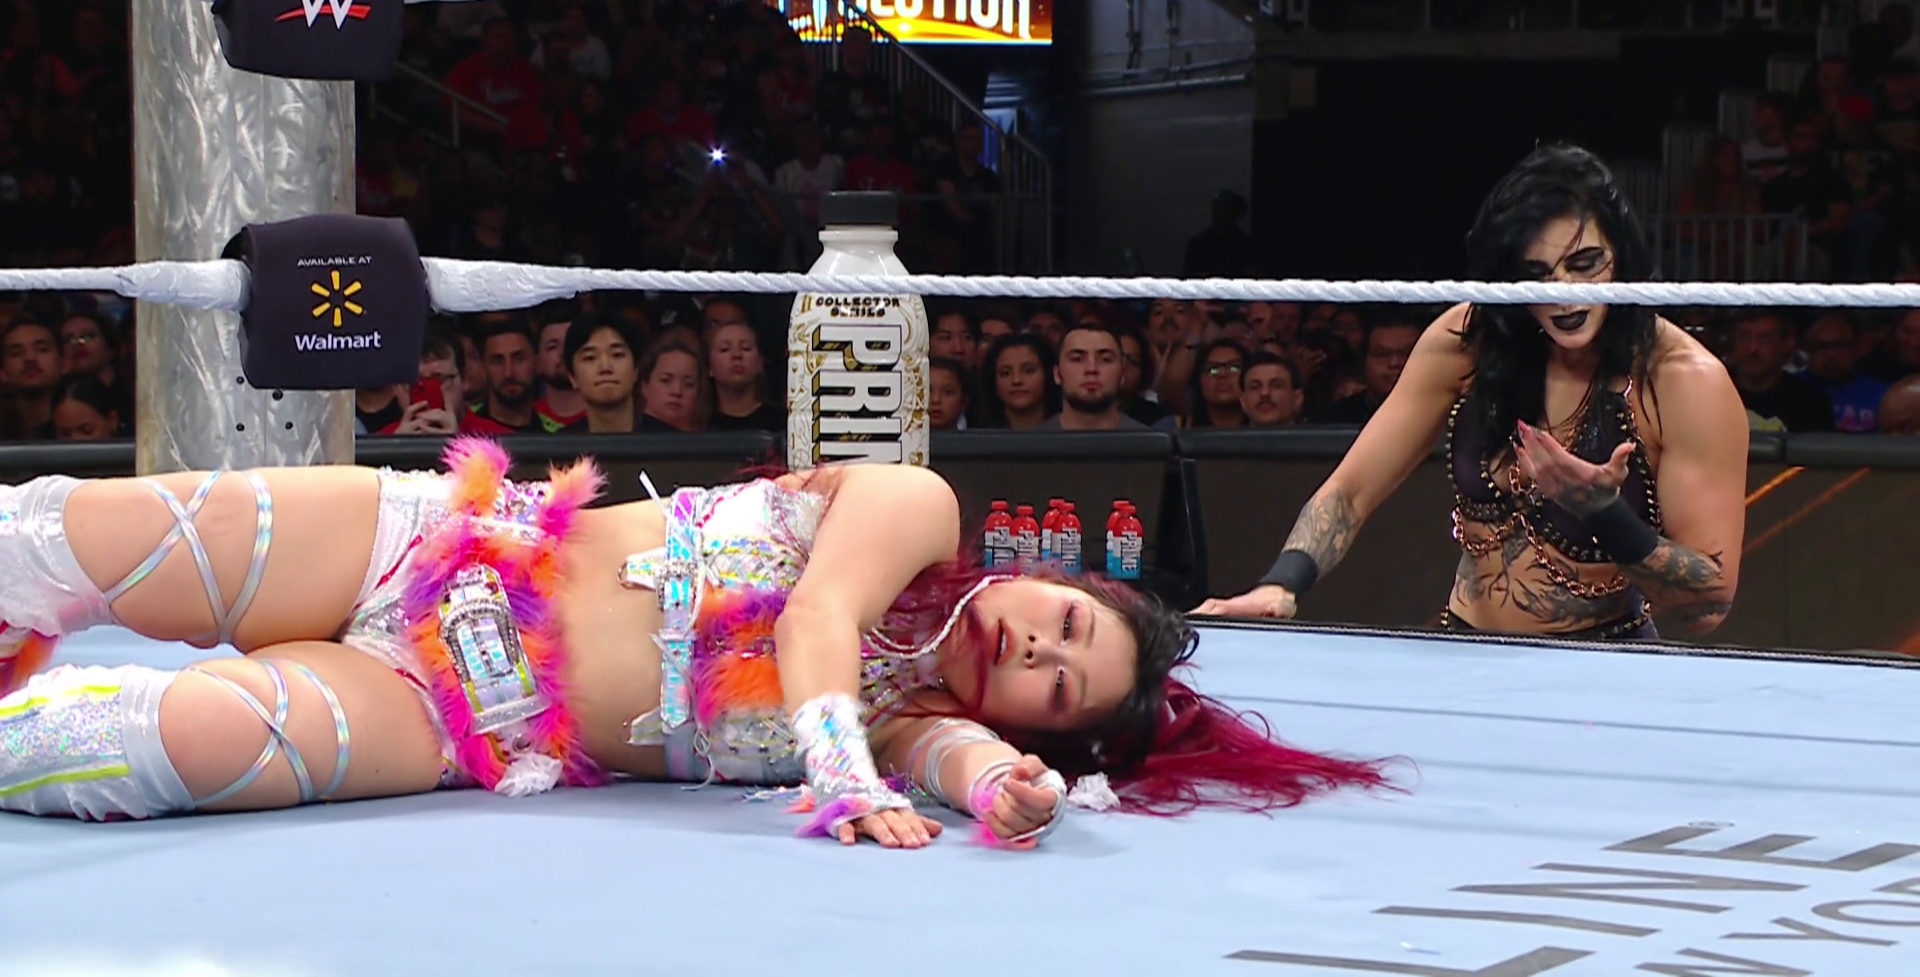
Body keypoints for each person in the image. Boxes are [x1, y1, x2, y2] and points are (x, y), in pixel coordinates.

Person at [0, 440, 1394, 847]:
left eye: (1057, 689)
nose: (1036, 651)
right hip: (429, 545)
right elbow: (817, 618)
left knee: (179, 740)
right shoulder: (917, 509)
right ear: (1051, 579)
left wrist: (1006, 792)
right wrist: (839, 775)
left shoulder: (913, 729)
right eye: (1066, 624)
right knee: (75, 538)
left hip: (448, 715)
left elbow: (955, 767)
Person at [1197, 145, 1748, 641]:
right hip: (1466, 651)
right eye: (1537, 273)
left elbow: (1708, 607)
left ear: (1621, 256)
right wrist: (1282, 583)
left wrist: (1604, 515)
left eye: (1584, 264)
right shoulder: (1470, 340)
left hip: (1604, 661)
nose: (1563, 293)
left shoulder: (1680, 380)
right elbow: (1351, 491)